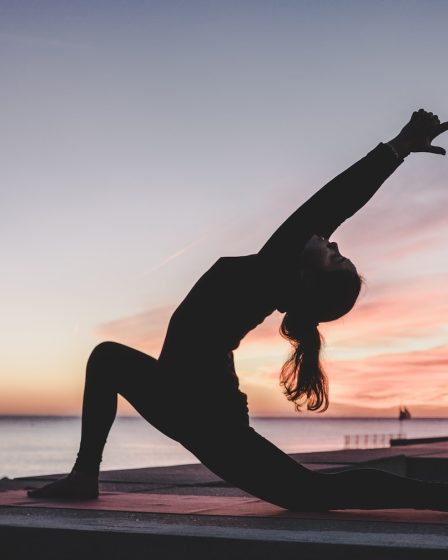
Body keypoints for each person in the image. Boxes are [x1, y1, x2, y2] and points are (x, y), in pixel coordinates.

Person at [27, 109, 448, 511]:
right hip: (178, 395)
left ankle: (438, 498)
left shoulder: (273, 270)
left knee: (306, 493)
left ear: (308, 280)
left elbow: (333, 202)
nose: (334, 244)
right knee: (106, 359)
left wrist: (398, 147)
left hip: (206, 414)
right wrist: (398, 148)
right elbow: (328, 211)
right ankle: (85, 476)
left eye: (337, 258)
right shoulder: (275, 274)